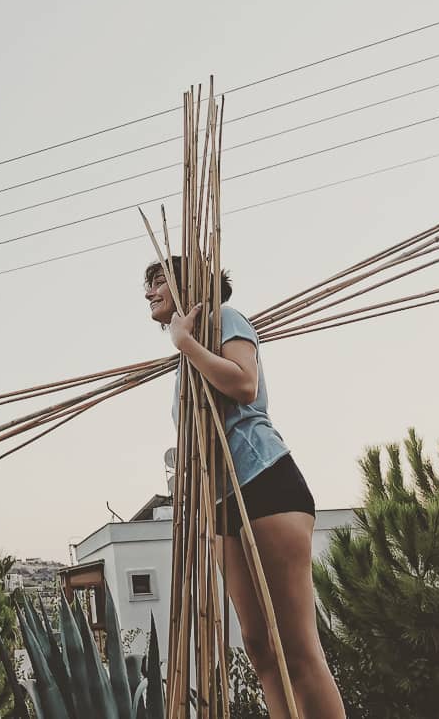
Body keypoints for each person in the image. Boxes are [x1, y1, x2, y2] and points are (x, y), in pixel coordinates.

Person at [144, 257, 344, 718]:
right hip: (221, 502)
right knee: (259, 646)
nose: (150, 291)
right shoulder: (188, 355)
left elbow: (245, 384)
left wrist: (185, 342)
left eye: (158, 281)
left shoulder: (223, 321)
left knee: (296, 644)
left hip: (263, 480)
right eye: (148, 284)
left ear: (185, 282)